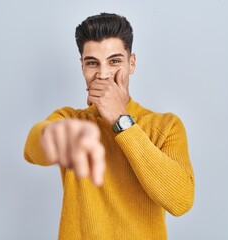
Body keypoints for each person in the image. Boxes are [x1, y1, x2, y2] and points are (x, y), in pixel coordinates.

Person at [24, 12, 194, 239]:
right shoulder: (71, 120)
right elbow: (32, 151)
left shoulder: (165, 126)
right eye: (92, 63)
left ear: (131, 63)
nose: (103, 74)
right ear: (82, 67)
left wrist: (121, 120)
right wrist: (57, 134)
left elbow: (180, 201)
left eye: (114, 61)